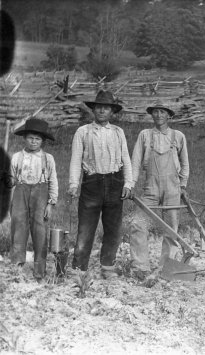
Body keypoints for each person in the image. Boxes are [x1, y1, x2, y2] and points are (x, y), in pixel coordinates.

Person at [68, 90, 132, 279]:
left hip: (115, 183)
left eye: (106, 108)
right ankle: (79, 269)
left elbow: (126, 159)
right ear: (93, 110)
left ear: (112, 111)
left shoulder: (118, 132)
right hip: (92, 183)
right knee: (86, 229)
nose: (102, 111)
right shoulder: (83, 132)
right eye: (99, 107)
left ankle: (108, 267)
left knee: (113, 229)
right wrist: (73, 184)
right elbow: (75, 159)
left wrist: (128, 183)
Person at [129, 102, 189, 280]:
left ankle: (166, 267)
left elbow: (185, 163)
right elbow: (135, 161)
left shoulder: (178, 136)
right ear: (152, 115)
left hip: (173, 187)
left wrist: (183, 185)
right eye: (155, 112)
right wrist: (130, 184)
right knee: (138, 223)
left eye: (162, 112)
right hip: (150, 187)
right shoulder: (145, 135)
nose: (158, 115)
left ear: (169, 116)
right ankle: (140, 266)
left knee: (171, 228)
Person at [7, 118, 58, 282]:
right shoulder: (16, 157)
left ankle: (39, 270)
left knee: (40, 231)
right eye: (30, 138)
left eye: (37, 139)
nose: (34, 141)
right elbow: (12, 180)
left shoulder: (47, 159)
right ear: (24, 138)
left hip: (40, 196)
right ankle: (17, 266)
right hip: (20, 195)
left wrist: (51, 203)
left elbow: (53, 181)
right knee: (18, 229)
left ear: (42, 141)